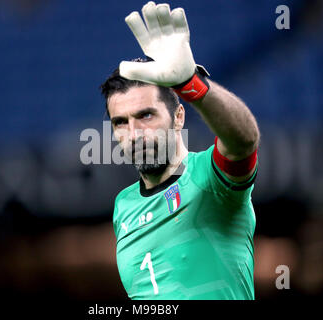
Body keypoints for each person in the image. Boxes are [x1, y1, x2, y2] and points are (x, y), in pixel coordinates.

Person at [100, 1, 260, 299]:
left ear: (178, 117)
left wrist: (191, 86)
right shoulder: (124, 205)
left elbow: (243, 141)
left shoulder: (210, 179)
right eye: (121, 122)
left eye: (146, 115)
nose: (133, 134)